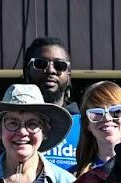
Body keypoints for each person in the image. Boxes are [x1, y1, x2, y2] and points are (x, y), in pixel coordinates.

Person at [21, 36, 79, 171]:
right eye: (40, 64)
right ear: (26, 71)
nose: (51, 70)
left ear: (69, 76)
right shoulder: (8, 126)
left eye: (60, 66)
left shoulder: (87, 126)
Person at [74, 80, 121, 176]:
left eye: (116, 111)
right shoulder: (74, 177)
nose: (107, 118)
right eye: (97, 112)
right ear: (87, 123)